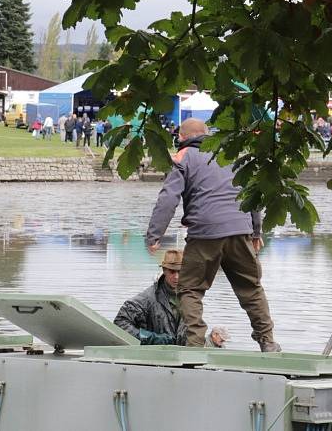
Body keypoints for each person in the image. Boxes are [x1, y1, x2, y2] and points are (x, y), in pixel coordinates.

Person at [146, 118, 280, 352]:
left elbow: (168, 198)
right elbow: (252, 193)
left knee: (190, 289)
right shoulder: (232, 155)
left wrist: (155, 235)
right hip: (240, 230)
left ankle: (195, 345)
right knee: (251, 287)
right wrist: (256, 231)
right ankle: (267, 341)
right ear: (207, 134)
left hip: (205, 232)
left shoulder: (184, 156)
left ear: (182, 137)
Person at [114, 250, 187, 345]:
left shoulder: (192, 298)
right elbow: (120, 324)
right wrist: (150, 337)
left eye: (180, 272)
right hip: (156, 355)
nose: (176, 277)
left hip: (183, 356)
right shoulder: (147, 298)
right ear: (164, 270)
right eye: (172, 271)